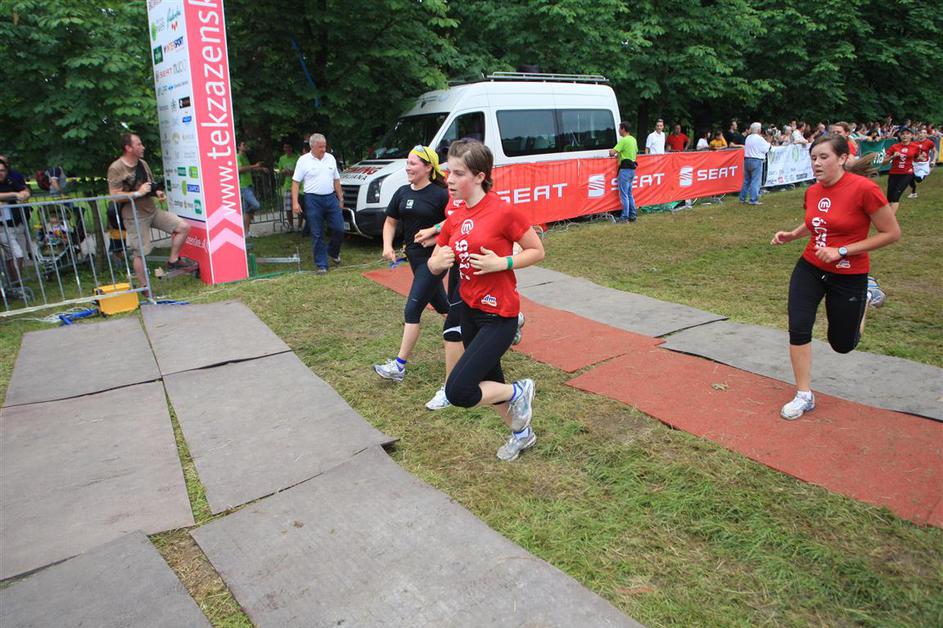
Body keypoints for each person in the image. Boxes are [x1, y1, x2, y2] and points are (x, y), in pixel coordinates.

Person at [426, 139, 545, 461]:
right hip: (469, 311)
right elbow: (435, 259)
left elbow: (537, 250)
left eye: (458, 173)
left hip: (500, 316)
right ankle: (522, 435)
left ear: (480, 176)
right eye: (448, 172)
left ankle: (521, 390)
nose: (449, 180)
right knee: (492, 384)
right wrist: (436, 263)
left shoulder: (503, 212)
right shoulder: (455, 216)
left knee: (459, 391)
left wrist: (502, 263)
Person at [770, 135, 900, 420]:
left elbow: (891, 233)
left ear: (842, 158)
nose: (816, 163)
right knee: (798, 327)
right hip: (810, 268)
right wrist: (792, 235)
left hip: (849, 274)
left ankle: (866, 295)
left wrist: (841, 250)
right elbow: (816, 222)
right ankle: (804, 394)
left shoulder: (864, 189)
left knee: (843, 345)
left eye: (823, 157)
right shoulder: (813, 191)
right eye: (813, 158)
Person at [373, 145, 451, 382]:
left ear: (428, 167)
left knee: (412, 309)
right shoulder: (402, 192)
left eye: (413, 163)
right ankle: (504, 324)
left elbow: (457, 221)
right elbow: (390, 222)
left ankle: (399, 366)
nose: (408, 167)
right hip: (415, 260)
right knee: (444, 307)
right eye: (407, 163)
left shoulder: (441, 194)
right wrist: (387, 245)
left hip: (434, 260)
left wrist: (434, 234)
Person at [107, 133, 191, 295]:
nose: (143, 147)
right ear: (128, 148)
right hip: (134, 215)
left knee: (183, 227)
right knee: (140, 252)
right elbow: (115, 196)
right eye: (138, 144)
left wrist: (157, 192)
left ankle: (173, 260)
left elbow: (150, 186)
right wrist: (137, 193)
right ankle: (145, 287)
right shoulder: (116, 168)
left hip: (152, 210)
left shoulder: (143, 164)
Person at [291, 133, 345, 274]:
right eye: (320, 147)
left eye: (324, 146)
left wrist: (340, 198)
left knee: (339, 228)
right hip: (313, 199)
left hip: (331, 197)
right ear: (312, 146)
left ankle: (333, 251)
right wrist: (295, 202)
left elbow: (336, 180)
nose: (323, 149)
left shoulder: (330, 158)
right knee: (316, 232)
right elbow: (295, 182)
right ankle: (321, 264)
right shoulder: (303, 160)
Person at [0, 157, 32, 281]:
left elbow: (24, 189)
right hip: (2, 227)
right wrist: (15, 194)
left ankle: (14, 283)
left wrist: (25, 194)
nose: (0, 173)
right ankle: (15, 283)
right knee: (17, 255)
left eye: (2, 170)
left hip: (16, 223)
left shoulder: (9, 181)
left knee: (14, 255)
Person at [881, 127, 918, 214]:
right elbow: (883, 162)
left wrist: (922, 158)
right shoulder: (894, 147)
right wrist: (892, 157)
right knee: (889, 198)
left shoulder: (915, 147)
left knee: (895, 197)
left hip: (907, 174)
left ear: (911, 135)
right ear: (900, 136)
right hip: (894, 173)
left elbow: (917, 157)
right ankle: (888, 215)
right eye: (902, 134)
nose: (905, 136)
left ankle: (890, 218)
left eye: (907, 134)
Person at [608, 121, 639, 222]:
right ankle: (633, 215)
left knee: (624, 195)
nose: (618, 131)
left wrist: (611, 151)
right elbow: (635, 151)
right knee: (629, 194)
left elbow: (612, 153)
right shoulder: (633, 139)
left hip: (625, 169)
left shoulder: (624, 140)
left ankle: (624, 216)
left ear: (623, 129)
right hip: (632, 169)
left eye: (619, 128)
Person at [237, 141, 267, 237]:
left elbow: (249, 169)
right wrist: (255, 165)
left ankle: (246, 233)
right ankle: (250, 215)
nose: (246, 146)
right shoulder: (238, 157)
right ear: (238, 147)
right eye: (244, 145)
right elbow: (239, 169)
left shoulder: (245, 157)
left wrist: (260, 169)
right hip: (244, 186)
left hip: (250, 185)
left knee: (247, 211)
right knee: (256, 205)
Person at [740, 122, 770, 205]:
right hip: (756, 160)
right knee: (755, 181)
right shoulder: (759, 138)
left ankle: (742, 198)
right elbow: (766, 149)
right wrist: (769, 142)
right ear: (758, 130)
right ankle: (753, 199)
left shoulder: (748, 137)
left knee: (746, 180)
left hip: (747, 159)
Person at [276, 142, 301, 231]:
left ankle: (299, 226)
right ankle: (291, 226)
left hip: (297, 185)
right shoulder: (282, 159)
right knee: (288, 208)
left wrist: (293, 172)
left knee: (299, 206)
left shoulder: (297, 157)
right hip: (287, 186)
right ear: (284, 148)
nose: (287, 149)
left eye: (289, 147)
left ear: (291, 148)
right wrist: (284, 172)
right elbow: (280, 171)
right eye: (285, 147)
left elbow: (300, 170)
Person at [909, 127, 936, 198]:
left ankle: (928, 170)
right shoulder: (913, 143)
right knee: (908, 177)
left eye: (924, 133)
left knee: (918, 180)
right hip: (914, 163)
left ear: (926, 135)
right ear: (918, 134)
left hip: (923, 164)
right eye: (920, 132)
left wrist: (934, 160)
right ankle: (913, 192)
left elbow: (935, 151)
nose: (922, 134)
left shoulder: (929, 142)